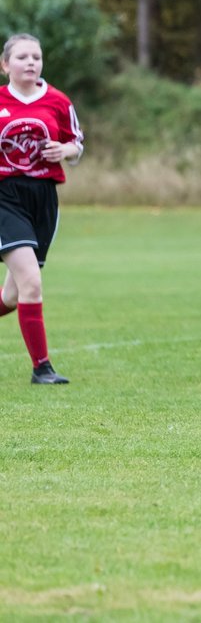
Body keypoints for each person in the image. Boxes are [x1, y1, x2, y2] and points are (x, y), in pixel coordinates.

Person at [0, 34, 84, 384]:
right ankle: (42, 368)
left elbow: (76, 145)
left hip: (44, 197)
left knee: (14, 295)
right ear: (6, 65)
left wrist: (64, 151)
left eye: (36, 56)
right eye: (22, 57)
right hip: (4, 195)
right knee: (32, 283)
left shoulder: (58, 101)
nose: (31, 62)